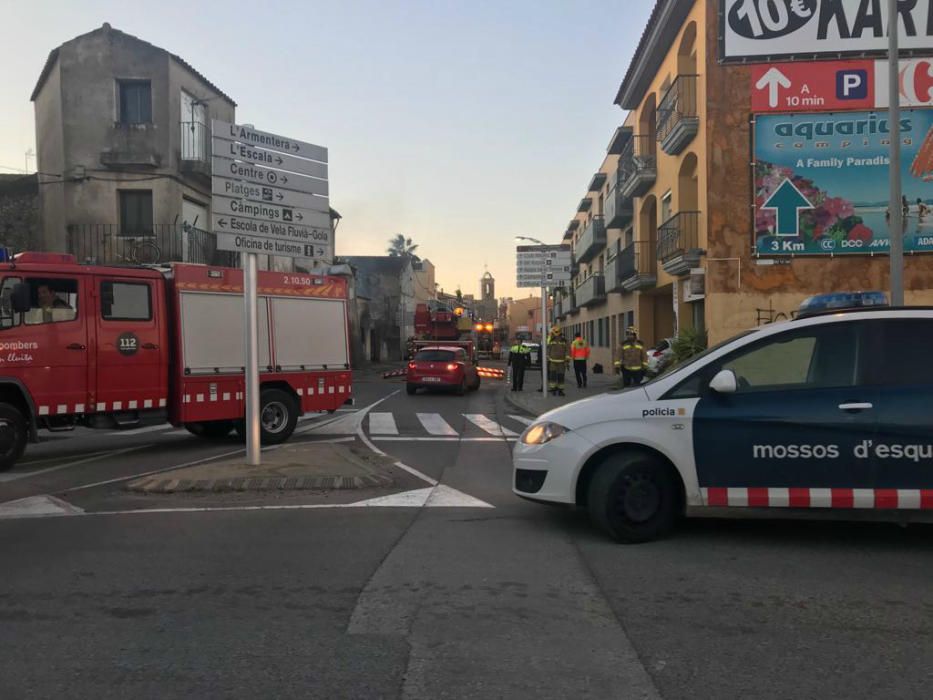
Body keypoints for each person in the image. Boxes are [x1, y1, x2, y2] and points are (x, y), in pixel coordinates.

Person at [546, 326, 569, 396]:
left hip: (561, 362)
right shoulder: (551, 340)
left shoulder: (564, 340)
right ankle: (553, 389)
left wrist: (567, 360)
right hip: (553, 361)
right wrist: (547, 358)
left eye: (556, 332)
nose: (556, 333)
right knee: (553, 376)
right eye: (555, 332)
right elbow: (548, 350)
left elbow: (568, 350)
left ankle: (560, 390)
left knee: (560, 376)